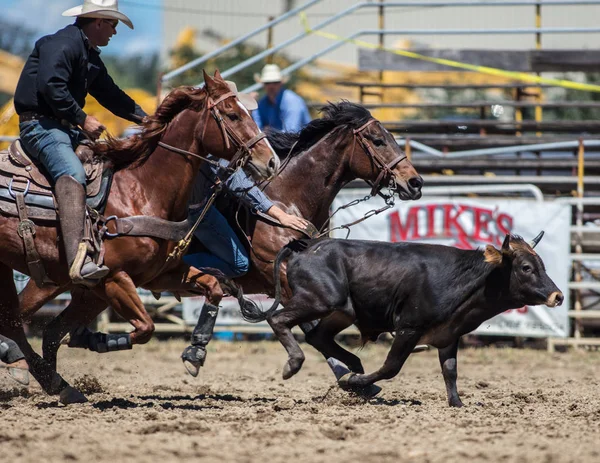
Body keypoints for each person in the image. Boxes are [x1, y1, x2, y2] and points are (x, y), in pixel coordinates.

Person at [13, 0, 147, 286]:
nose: (114, 32)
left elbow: (111, 94)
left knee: (104, 162)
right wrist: (82, 119)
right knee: (73, 172)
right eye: (113, 25)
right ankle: (78, 260)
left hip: (61, 127)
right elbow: (52, 86)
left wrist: (147, 120)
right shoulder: (61, 44)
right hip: (40, 126)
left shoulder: (88, 55)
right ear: (98, 22)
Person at [252, 64, 311, 133]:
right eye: (267, 83)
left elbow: (291, 133)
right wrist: (252, 106)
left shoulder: (292, 101)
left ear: (281, 83)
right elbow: (258, 130)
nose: (271, 86)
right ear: (263, 85)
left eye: (275, 82)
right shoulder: (263, 103)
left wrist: (269, 133)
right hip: (280, 141)